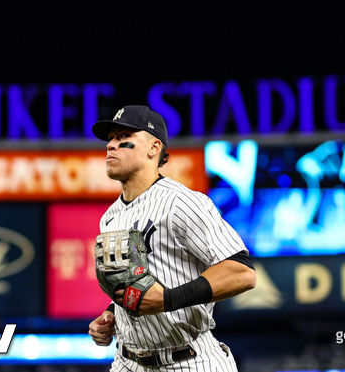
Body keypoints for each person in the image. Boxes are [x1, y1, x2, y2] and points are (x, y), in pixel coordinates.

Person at [88, 105, 256, 371]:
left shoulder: (181, 202)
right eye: (110, 138)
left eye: (123, 138)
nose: (111, 145)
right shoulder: (110, 216)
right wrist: (111, 314)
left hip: (188, 359)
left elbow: (242, 272)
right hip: (127, 361)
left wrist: (167, 299)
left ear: (154, 148)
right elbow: (132, 281)